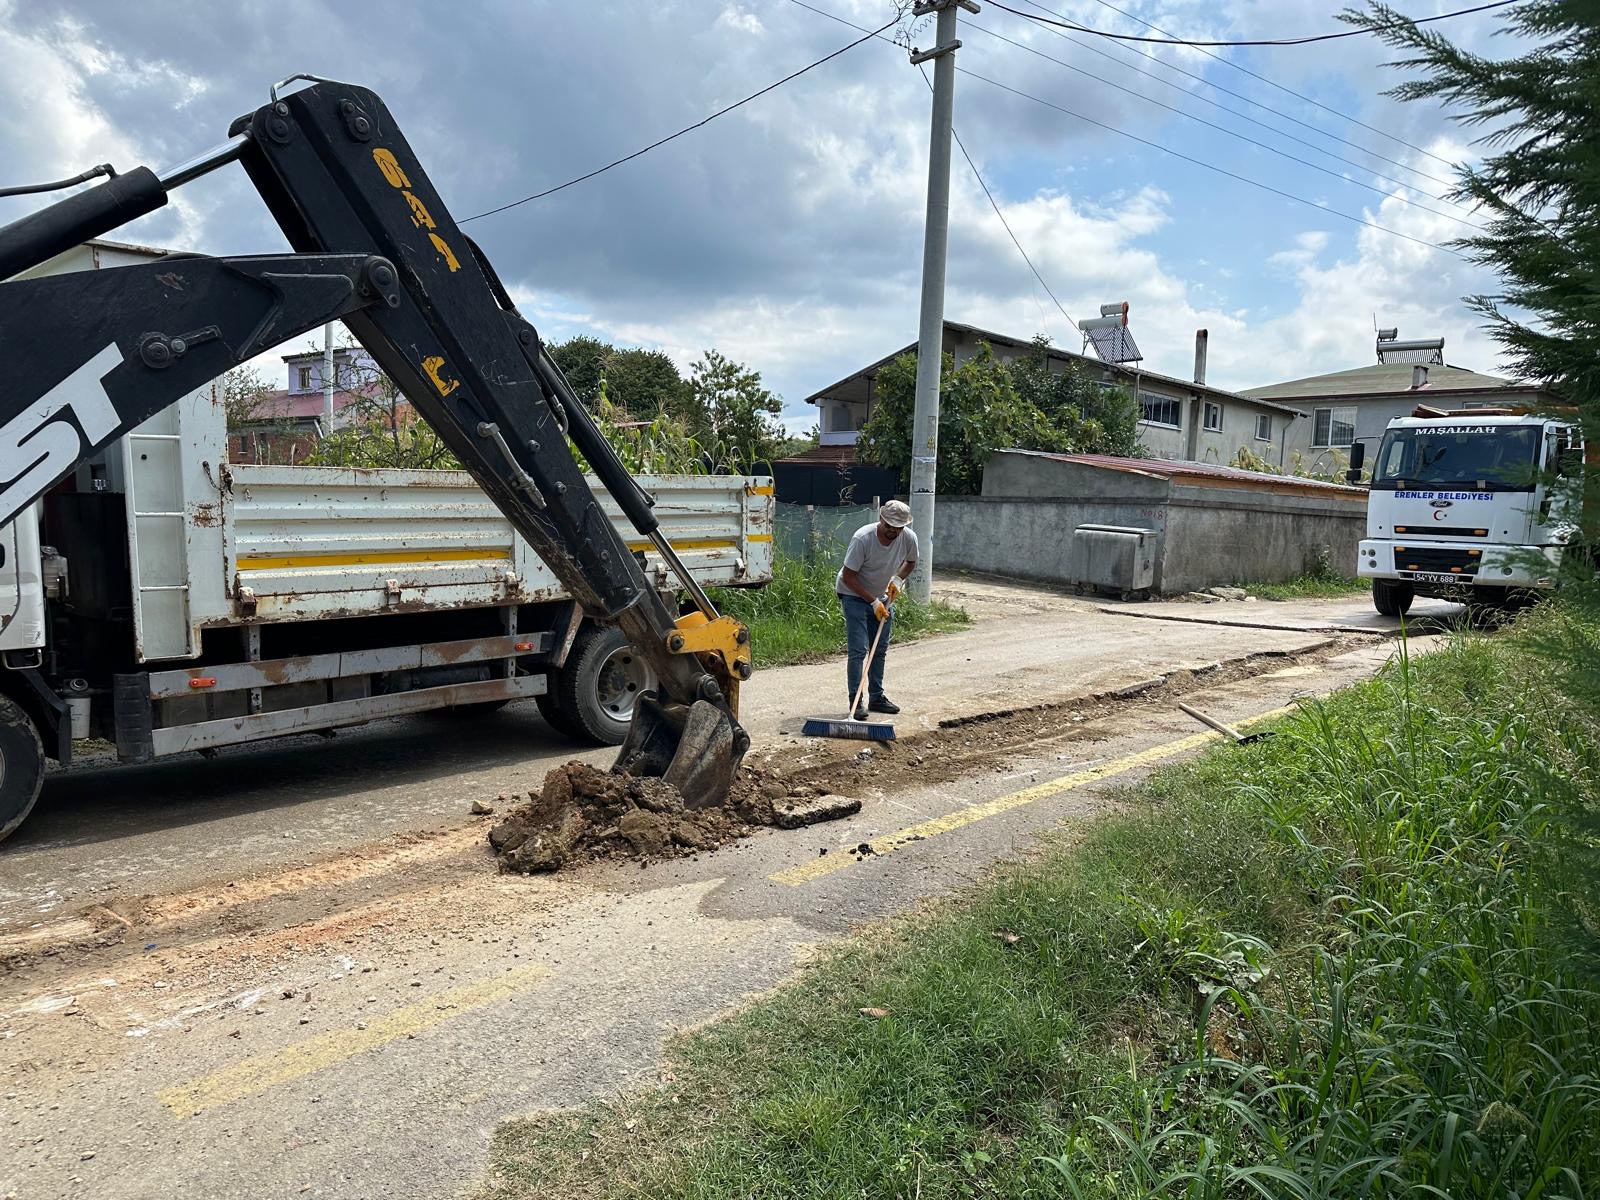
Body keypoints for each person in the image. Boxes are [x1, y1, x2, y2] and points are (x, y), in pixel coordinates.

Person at [835, 500, 919, 719]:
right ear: (881, 519)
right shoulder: (863, 538)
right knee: (859, 649)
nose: (893, 531)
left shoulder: (908, 538)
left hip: (882, 595)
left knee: (879, 648)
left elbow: (911, 562)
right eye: (889, 525)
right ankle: (856, 700)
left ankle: (877, 697)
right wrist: (873, 602)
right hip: (853, 593)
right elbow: (848, 576)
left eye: (898, 527)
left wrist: (898, 580)